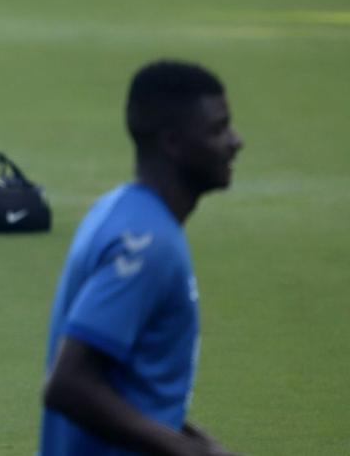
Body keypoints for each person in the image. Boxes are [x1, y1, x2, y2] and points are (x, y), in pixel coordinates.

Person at [40, 61, 243, 455]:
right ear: (173, 143)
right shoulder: (149, 244)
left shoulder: (120, 211)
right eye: (218, 130)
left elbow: (128, 385)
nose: (235, 141)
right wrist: (185, 451)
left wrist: (194, 440)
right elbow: (68, 384)